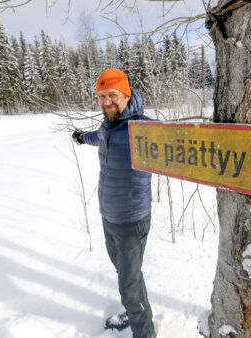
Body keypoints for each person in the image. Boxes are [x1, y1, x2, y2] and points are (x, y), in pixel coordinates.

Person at [72, 69, 155, 338]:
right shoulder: (107, 126)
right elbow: (99, 138)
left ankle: (145, 333)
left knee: (129, 286)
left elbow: (175, 144)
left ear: (126, 95)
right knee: (125, 274)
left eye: (113, 95)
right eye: (101, 96)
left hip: (132, 220)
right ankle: (135, 315)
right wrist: (81, 137)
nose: (107, 102)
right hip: (109, 216)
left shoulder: (142, 128)